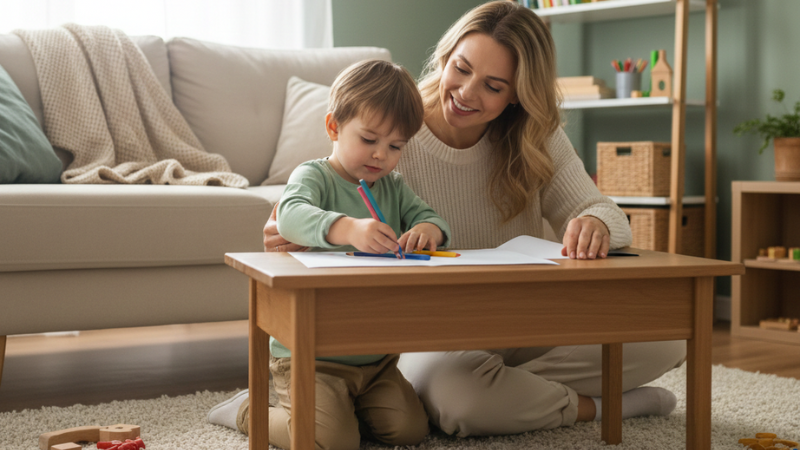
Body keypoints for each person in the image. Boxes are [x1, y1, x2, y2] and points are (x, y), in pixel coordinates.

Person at [257, 0, 685, 440]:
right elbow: (315, 197)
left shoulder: (536, 137)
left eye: (493, 86)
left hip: (517, 316)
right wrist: (306, 233)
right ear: (445, 58)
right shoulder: (394, 131)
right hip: (430, 336)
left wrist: (595, 223)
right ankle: (599, 406)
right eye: (460, 69)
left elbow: (607, 214)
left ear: (518, 93)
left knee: (665, 336)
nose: (465, 92)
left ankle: (506, 389)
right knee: (460, 398)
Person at [208, 59, 451, 449]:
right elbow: (290, 215)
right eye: (369, 140)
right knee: (331, 443)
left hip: (377, 361)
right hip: (310, 357)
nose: (380, 156)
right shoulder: (314, 175)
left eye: (395, 146)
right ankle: (247, 411)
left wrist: (427, 230)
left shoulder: (393, 186)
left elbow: (430, 218)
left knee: (409, 430)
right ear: (334, 127)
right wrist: (349, 229)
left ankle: (346, 408)